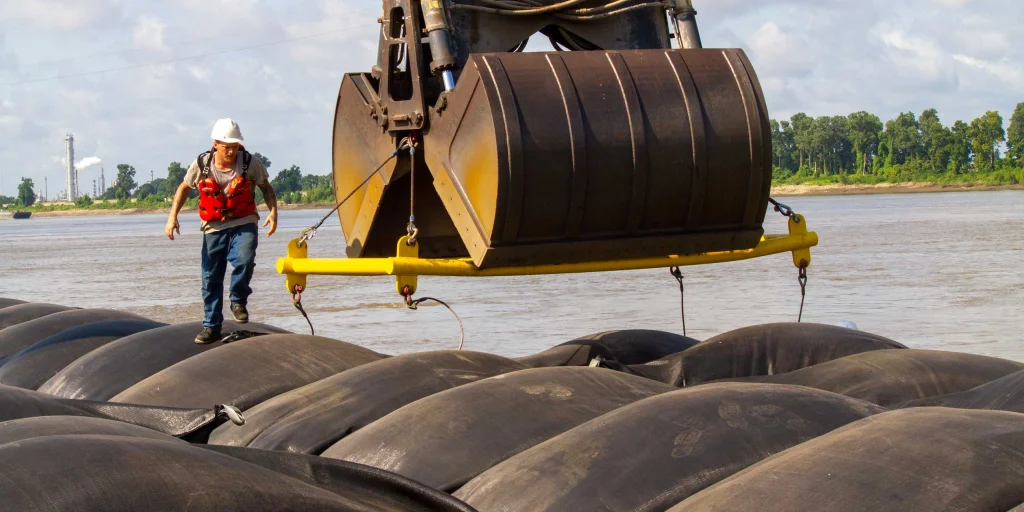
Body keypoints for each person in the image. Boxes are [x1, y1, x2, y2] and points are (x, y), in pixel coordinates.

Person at [165, 118, 278, 344]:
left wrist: (273, 213)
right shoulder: (202, 164)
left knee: (244, 260)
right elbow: (184, 188)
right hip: (213, 227)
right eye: (226, 146)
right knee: (210, 278)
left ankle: (238, 300)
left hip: (243, 222)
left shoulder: (250, 163)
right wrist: (172, 217)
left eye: (234, 146)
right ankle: (212, 326)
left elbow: (267, 189)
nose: (231, 151)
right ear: (216, 144)